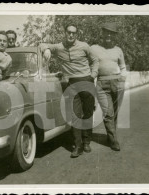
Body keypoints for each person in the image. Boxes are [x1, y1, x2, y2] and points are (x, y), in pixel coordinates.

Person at [40, 23, 99, 158]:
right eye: (68, 32)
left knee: (88, 113)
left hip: (86, 81)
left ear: (76, 34)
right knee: (75, 115)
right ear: (65, 33)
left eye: (73, 32)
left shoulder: (84, 46)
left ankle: (86, 141)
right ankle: (78, 146)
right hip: (71, 83)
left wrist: (92, 76)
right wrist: (47, 49)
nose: (71, 35)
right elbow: (41, 45)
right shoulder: (60, 47)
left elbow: (95, 60)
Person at [91, 22, 127, 151]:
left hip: (117, 83)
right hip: (101, 84)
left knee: (115, 113)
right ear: (102, 33)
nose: (109, 35)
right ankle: (113, 141)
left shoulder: (118, 50)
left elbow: (123, 67)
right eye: (107, 32)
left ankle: (111, 135)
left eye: (112, 33)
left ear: (115, 36)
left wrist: (122, 80)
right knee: (108, 113)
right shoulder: (94, 48)